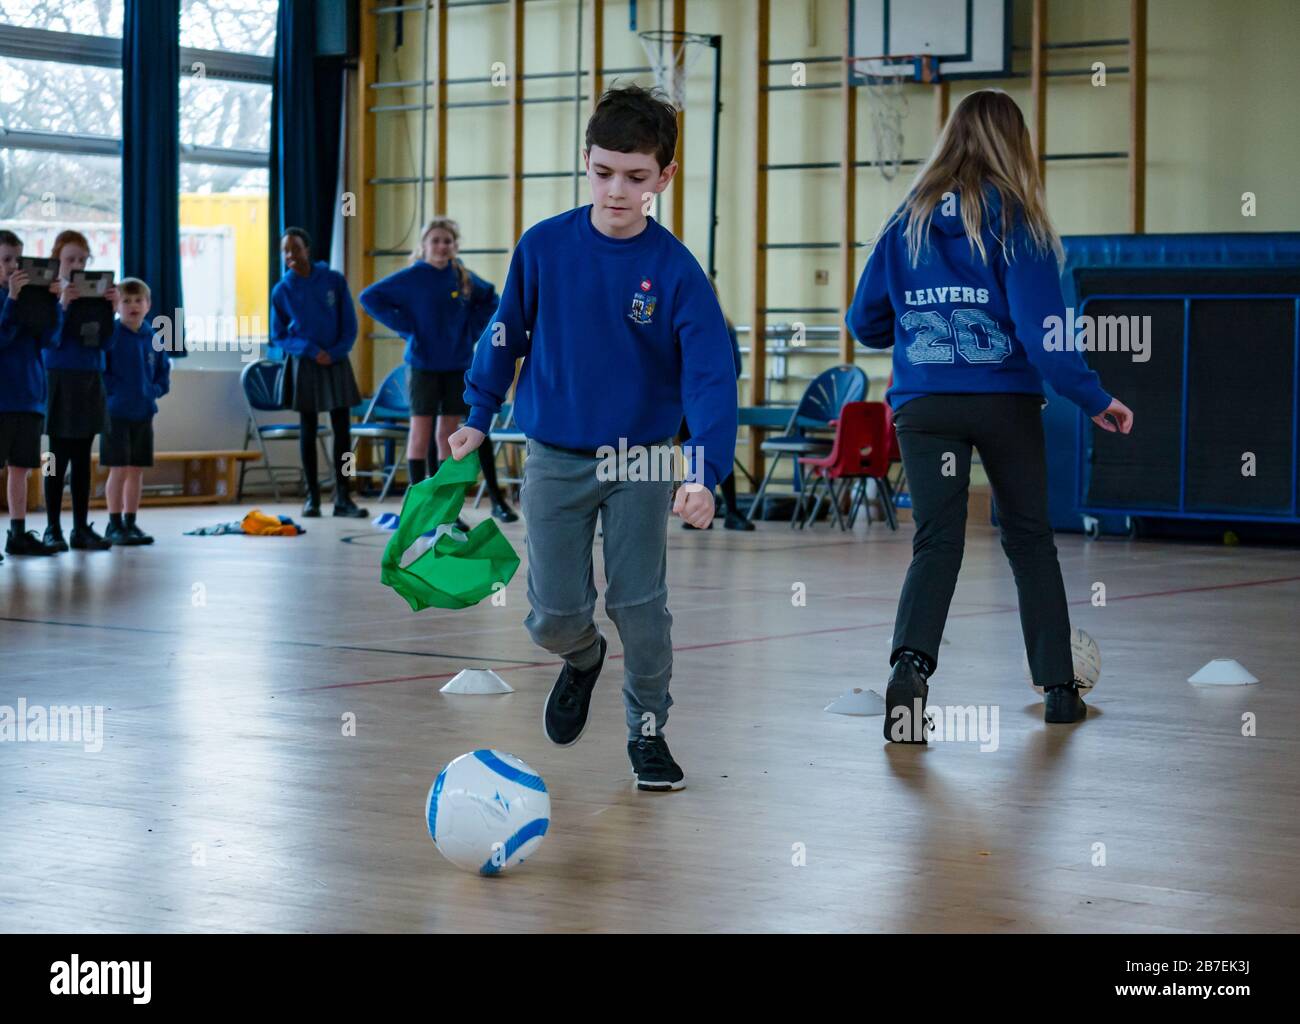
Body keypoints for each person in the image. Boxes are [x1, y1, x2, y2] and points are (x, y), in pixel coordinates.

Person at [450, 85, 738, 790]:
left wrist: (703, 470)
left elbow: (709, 378)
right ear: (586, 160)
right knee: (551, 616)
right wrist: (477, 413)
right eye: (604, 171)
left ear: (663, 178)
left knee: (639, 605)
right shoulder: (544, 247)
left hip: (641, 458)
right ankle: (581, 658)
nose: (617, 190)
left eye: (636, 177)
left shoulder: (676, 273)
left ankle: (648, 731)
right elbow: (504, 334)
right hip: (554, 454)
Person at [845, 88, 1134, 741]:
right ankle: (1060, 689)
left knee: (936, 542)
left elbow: (865, 322)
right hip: (1002, 400)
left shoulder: (906, 221)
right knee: (1029, 539)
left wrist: (925, 323)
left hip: (925, 405)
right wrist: (1095, 398)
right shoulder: (1018, 222)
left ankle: (909, 675)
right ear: (1016, 145)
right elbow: (1042, 335)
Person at [359, 217, 518, 522]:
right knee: (419, 434)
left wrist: (471, 331)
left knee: (448, 436)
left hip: (457, 365)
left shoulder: (463, 277)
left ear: (455, 245)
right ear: (424, 245)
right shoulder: (412, 276)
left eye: (447, 241)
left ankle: (445, 509)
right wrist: (406, 328)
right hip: (423, 366)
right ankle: (418, 506)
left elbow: (492, 299)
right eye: (436, 241)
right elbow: (369, 298)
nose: (442, 246)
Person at [270, 227, 367, 518]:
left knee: (342, 430)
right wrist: (311, 351)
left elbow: (349, 324)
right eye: (285, 250)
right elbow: (279, 336)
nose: (290, 255)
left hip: (336, 361)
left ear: (307, 250)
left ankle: (343, 497)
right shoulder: (282, 290)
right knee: (308, 429)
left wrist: (335, 352)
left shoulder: (333, 280)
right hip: (305, 364)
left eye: (295, 248)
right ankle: (312, 497)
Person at [43, 230, 119, 551]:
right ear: (57, 262)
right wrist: (62, 304)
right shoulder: (46, 295)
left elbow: (108, 344)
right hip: (59, 379)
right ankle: (52, 528)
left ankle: (80, 528)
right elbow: (49, 339)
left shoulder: (98, 297)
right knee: (54, 458)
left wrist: (112, 312)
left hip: (89, 380)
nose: (76, 264)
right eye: (69, 259)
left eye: (81, 259)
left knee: (83, 458)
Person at [0, 229, 60, 558]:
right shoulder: (8, 300)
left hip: (29, 396)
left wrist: (53, 304)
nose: (12, 266)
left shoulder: (31, 299)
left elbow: (49, 341)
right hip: (2, 399)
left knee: (21, 469)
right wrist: (10, 299)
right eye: (5, 259)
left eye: (16, 260)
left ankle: (18, 533)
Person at [102, 278, 171, 546]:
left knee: (136, 469)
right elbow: (102, 372)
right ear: (117, 306)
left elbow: (163, 374)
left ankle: (131, 522)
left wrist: (153, 391)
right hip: (116, 413)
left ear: (148, 304)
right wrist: (115, 393)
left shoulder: (153, 337)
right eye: (126, 300)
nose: (133, 305)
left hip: (143, 412)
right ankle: (114, 523)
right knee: (118, 469)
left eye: (138, 300)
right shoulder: (112, 335)